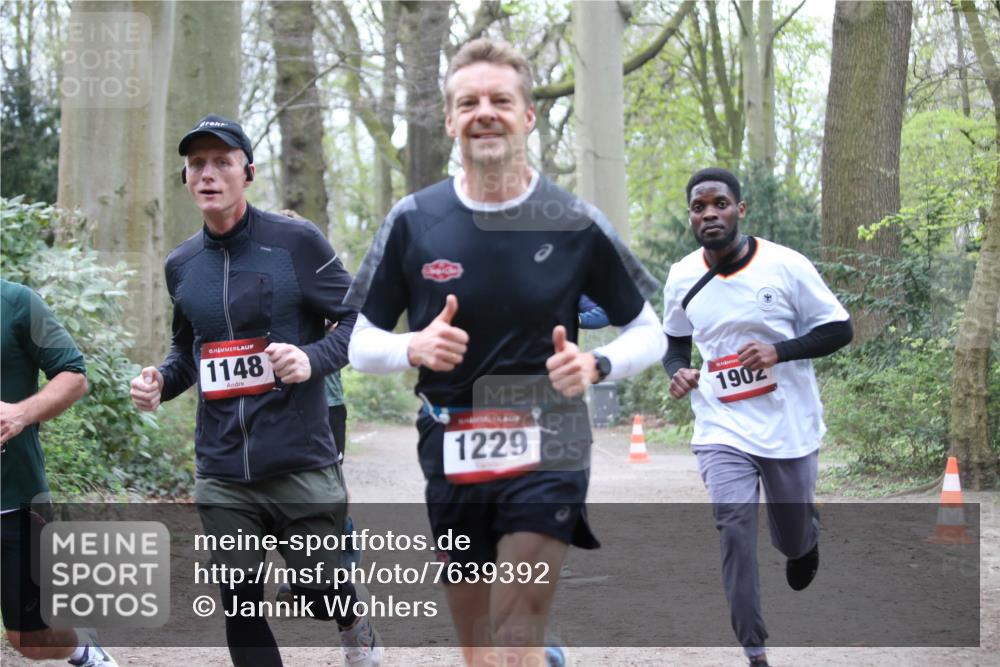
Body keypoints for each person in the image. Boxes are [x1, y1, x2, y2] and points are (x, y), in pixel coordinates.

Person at [345, 38, 665, 666]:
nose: (484, 111)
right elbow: (357, 343)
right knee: (478, 648)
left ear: (528, 116)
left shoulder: (574, 221)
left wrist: (597, 364)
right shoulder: (413, 220)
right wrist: (415, 345)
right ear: (449, 120)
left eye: (500, 99)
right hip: (451, 440)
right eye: (469, 102)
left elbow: (649, 330)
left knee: (514, 631)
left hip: (550, 440)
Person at [129, 114, 381, 666]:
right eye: (197, 164)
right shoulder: (181, 265)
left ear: (249, 173)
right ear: (186, 179)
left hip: (299, 460)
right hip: (221, 469)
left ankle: (350, 616)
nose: (208, 174)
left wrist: (311, 358)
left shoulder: (296, 242)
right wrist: (158, 382)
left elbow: (361, 320)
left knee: (320, 587)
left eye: (222, 162)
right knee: (239, 604)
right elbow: (186, 352)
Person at [661, 167, 853, 666]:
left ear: (740, 210)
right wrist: (679, 371)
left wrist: (778, 351)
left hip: (788, 426)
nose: (709, 214)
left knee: (790, 539)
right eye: (699, 207)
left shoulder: (786, 266)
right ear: (691, 216)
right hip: (721, 425)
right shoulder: (683, 275)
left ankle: (803, 538)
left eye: (720, 204)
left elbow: (840, 330)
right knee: (734, 524)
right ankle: (755, 649)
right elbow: (675, 341)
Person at [1, 279, 117, 667]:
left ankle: (83, 647)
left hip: (12, 497)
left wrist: (19, 414)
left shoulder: (17, 303)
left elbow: (73, 375)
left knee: (31, 641)